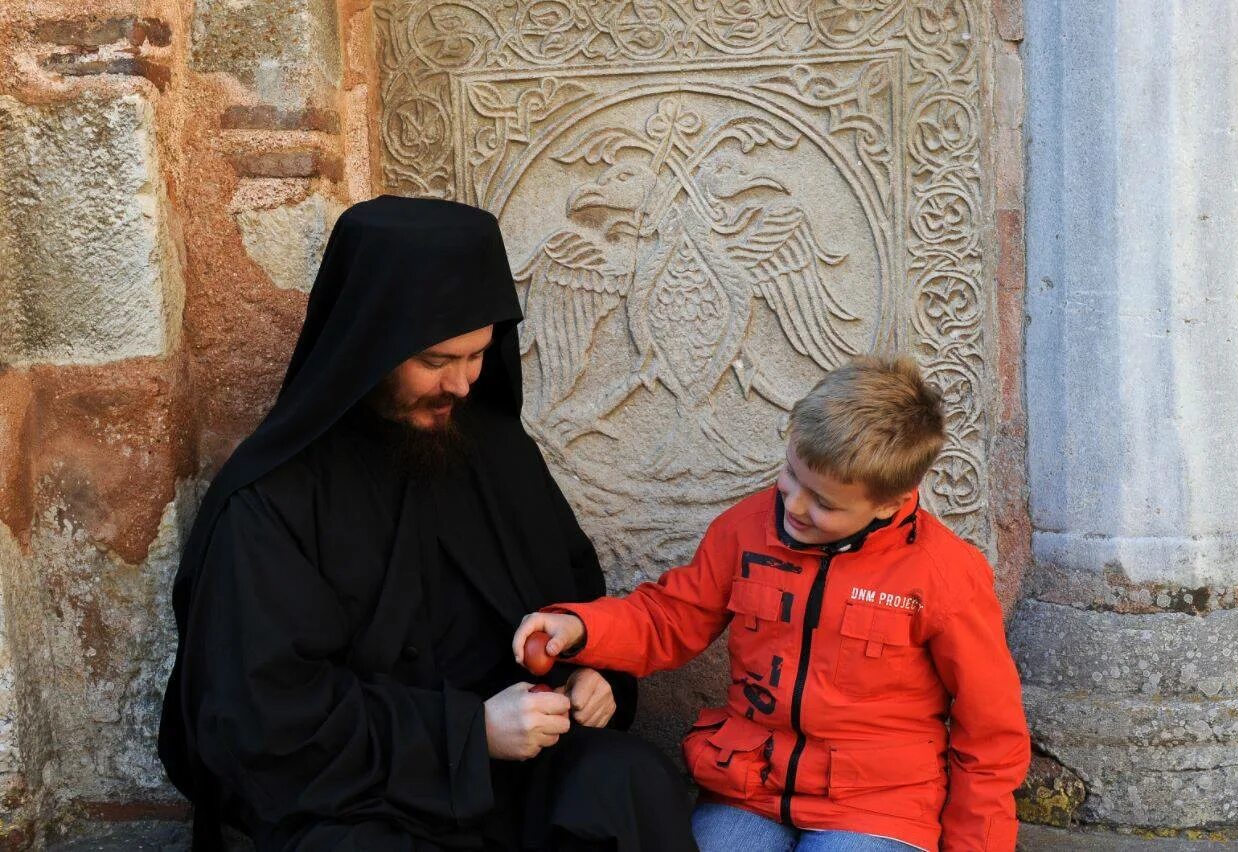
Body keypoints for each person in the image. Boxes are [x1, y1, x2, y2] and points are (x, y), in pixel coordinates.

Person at [158, 195, 696, 852]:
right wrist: (467, 735)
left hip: (512, 776)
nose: (464, 385)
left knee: (629, 785)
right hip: (363, 797)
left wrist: (595, 675)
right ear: (368, 345)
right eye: (438, 362)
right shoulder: (272, 500)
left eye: (477, 355)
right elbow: (257, 722)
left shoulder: (493, 451)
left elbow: (575, 601)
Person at [514, 356, 1031, 852]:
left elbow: (990, 735)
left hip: (878, 806)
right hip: (751, 789)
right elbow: (669, 617)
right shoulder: (746, 529)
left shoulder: (946, 574)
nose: (794, 507)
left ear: (891, 502)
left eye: (825, 503)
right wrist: (581, 627)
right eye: (791, 476)